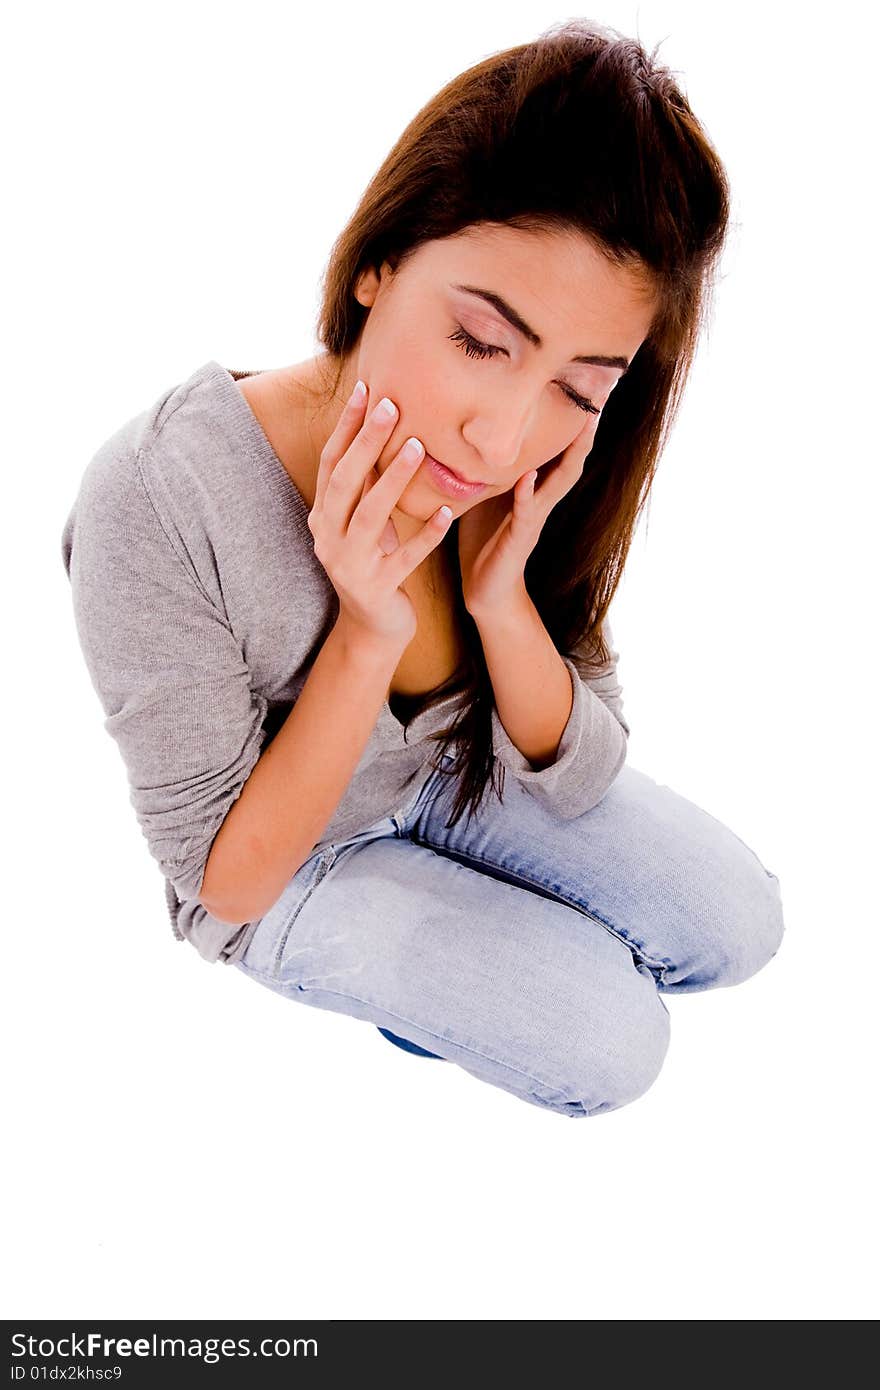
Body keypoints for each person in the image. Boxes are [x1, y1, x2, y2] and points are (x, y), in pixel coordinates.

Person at [60, 19, 784, 1118]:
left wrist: (500, 600)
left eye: (578, 389)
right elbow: (225, 879)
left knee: (742, 922)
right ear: (379, 263)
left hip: (457, 775)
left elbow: (577, 767)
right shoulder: (158, 495)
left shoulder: (523, 476)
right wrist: (364, 633)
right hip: (289, 863)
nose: (500, 436)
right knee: (612, 1041)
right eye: (482, 343)